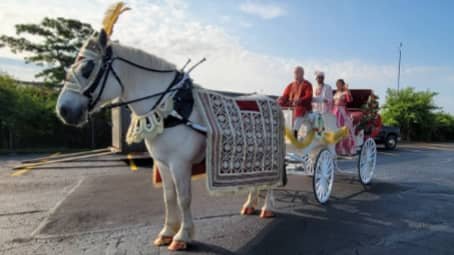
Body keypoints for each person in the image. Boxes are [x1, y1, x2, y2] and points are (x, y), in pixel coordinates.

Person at [277, 66, 313, 138]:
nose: (295, 74)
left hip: (303, 108)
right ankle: (282, 134)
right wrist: (280, 100)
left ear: (302, 74)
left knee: (298, 111)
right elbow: (285, 95)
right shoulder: (291, 85)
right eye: (295, 73)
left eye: (297, 72)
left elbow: (309, 96)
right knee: (280, 108)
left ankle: (295, 135)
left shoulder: (307, 84)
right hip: (291, 108)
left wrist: (300, 100)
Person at [332, 79, 355, 155]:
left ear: (343, 85)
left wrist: (347, 90)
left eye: (339, 84)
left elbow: (350, 100)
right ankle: (334, 147)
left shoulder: (345, 92)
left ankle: (344, 149)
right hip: (334, 111)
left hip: (341, 112)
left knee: (341, 128)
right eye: (337, 84)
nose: (338, 85)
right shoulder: (336, 93)